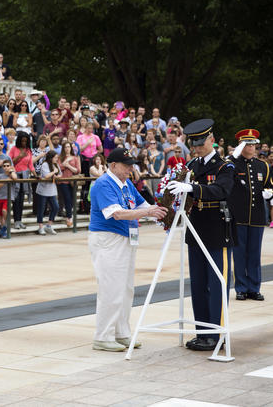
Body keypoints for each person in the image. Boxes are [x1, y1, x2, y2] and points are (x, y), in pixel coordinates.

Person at [88, 148, 167, 351]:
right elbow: (117, 214)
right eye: (126, 165)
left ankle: (121, 332)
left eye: (132, 165)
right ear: (113, 165)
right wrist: (149, 212)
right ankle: (103, 335)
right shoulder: (104, 183)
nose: (131, 169)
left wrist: (157, 211)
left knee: (125, 288)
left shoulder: (126, 184)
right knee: (111, 288)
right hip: (108, 239)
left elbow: (141, 205)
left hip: (126, 237)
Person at [167, 119, 236, 351]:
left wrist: (193, 189)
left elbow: (221, 190)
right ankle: (202, 332)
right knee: (198, 284)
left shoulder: (224, 166)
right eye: (193, 145)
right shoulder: (193, 165)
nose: (196, 149)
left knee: (217, 283)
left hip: (217, 230)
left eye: (200, 144)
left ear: (212, 140)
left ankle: (217, 334)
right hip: (195, 229)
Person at [228, 129, 273, 301]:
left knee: (254, 254)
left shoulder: (262, 165)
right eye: (249, 144)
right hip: (238, 216)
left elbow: (269, 185)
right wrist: (233, 156)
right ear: (242, 146)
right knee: (239, 254)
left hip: (257, 216)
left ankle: (254, 287)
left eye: (254, 144)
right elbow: (224, 171)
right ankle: (241, 287)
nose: (253, 147)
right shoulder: (232, 164)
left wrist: (269, 192)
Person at [0, 160, 18, 238]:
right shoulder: (0, 175)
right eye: (4, 166)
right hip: (0, 197)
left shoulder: (12, 174)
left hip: (8, 197)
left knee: (5, 211)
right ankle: (3, 229)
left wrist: (11, 171)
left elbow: (15, 178)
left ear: (10, 166)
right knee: (0, 215)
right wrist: (6, 180)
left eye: (8, 166)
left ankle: (6, 226)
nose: (6, 167)